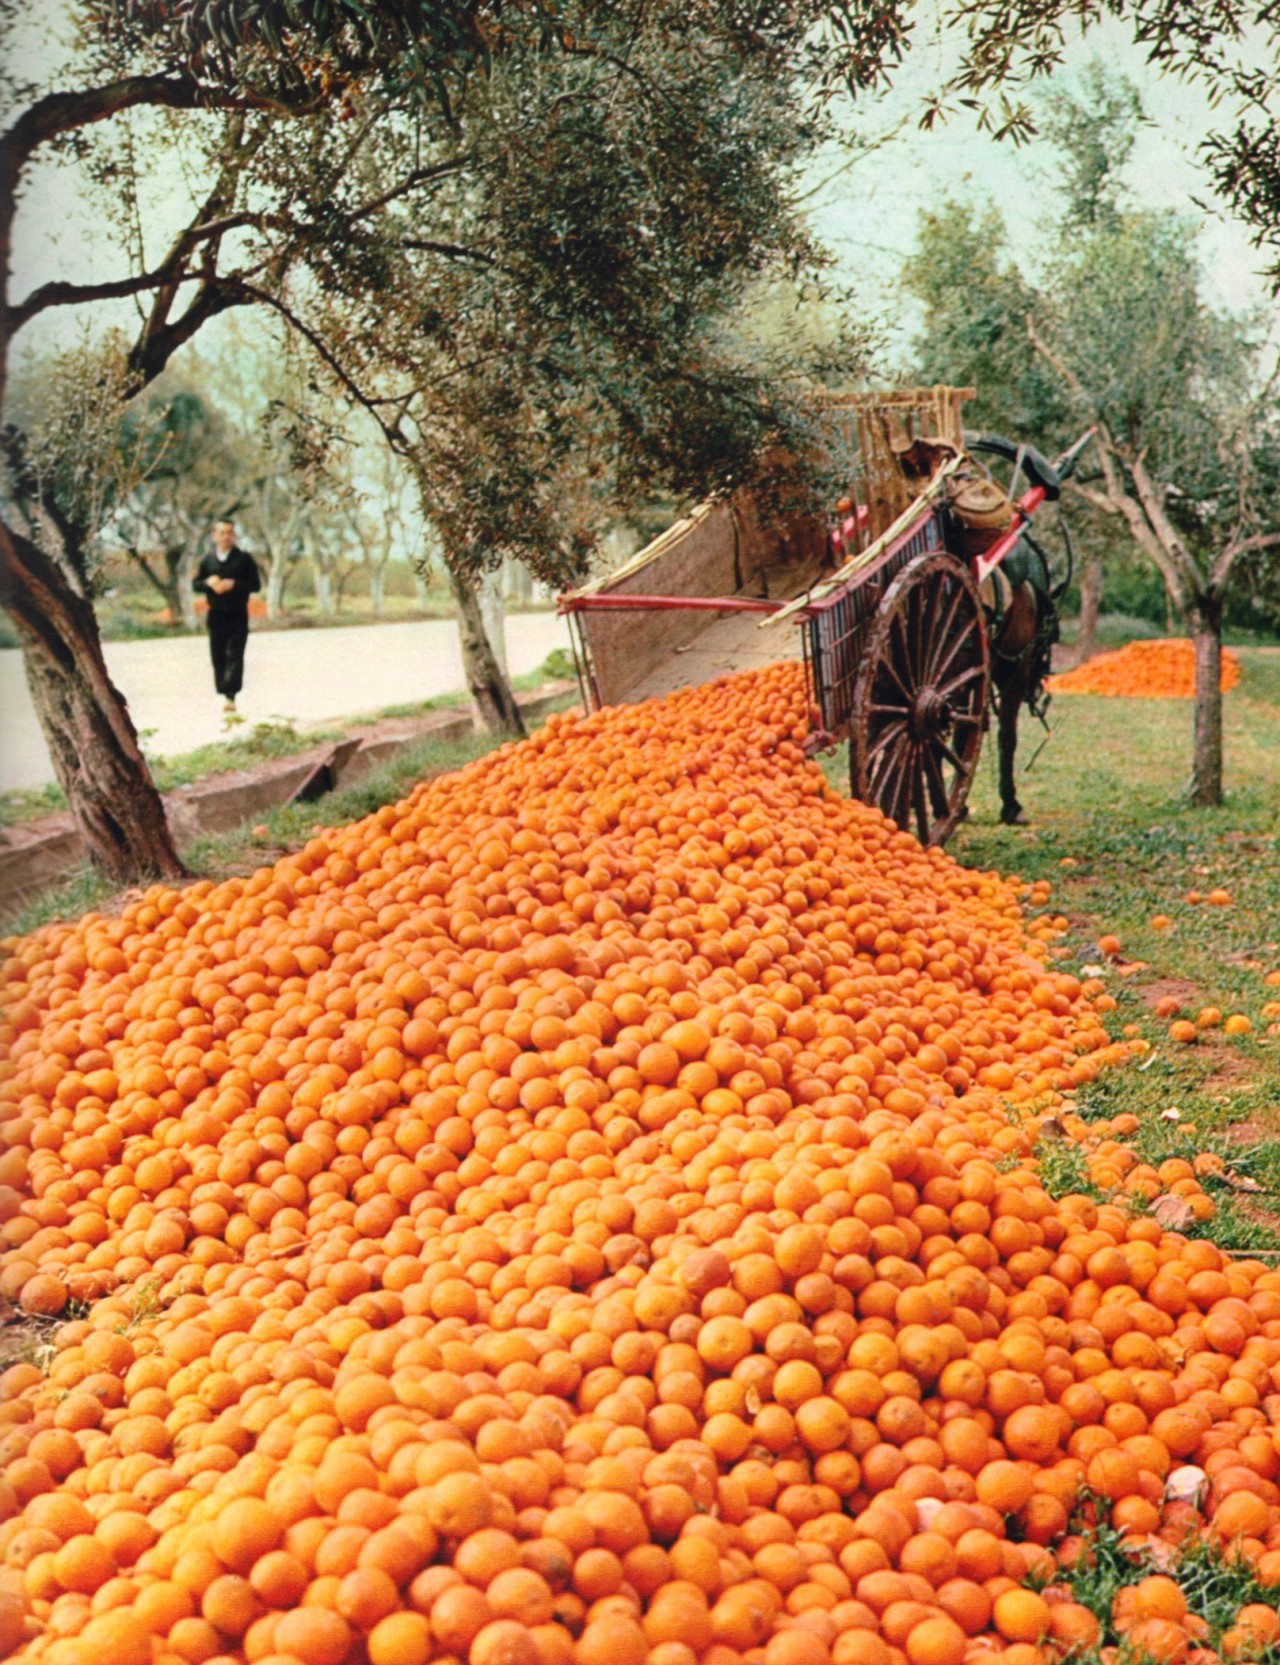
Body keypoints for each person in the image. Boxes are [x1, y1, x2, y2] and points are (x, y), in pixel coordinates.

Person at [193, 519, 261, 712]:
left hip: (238, 614)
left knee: (235, 654)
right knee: (218, 656)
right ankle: (222, 690)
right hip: (216, 615)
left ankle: (231, 695)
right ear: (215, 535)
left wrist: (234, 584)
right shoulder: (208, 560)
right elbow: (195, 584)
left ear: (234, 535)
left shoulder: (244, 559)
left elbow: (255, 585)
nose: (225, 536)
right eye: (221, 532)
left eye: (229, 532)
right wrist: (208, 582)